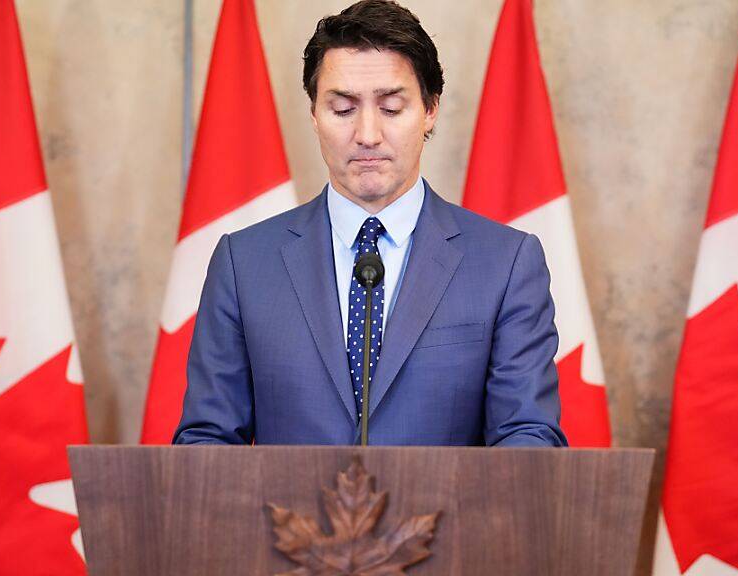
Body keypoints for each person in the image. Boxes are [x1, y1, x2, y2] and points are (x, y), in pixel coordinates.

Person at [174, 0, 567, 447]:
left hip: (447, 517)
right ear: (314, 115)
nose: (367, 135)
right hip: (288, 518)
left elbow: (527, 437)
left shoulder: (506, 263)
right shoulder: (243, 263)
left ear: (430, 109)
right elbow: (207, 440)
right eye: (342, 109)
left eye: (392, 108)